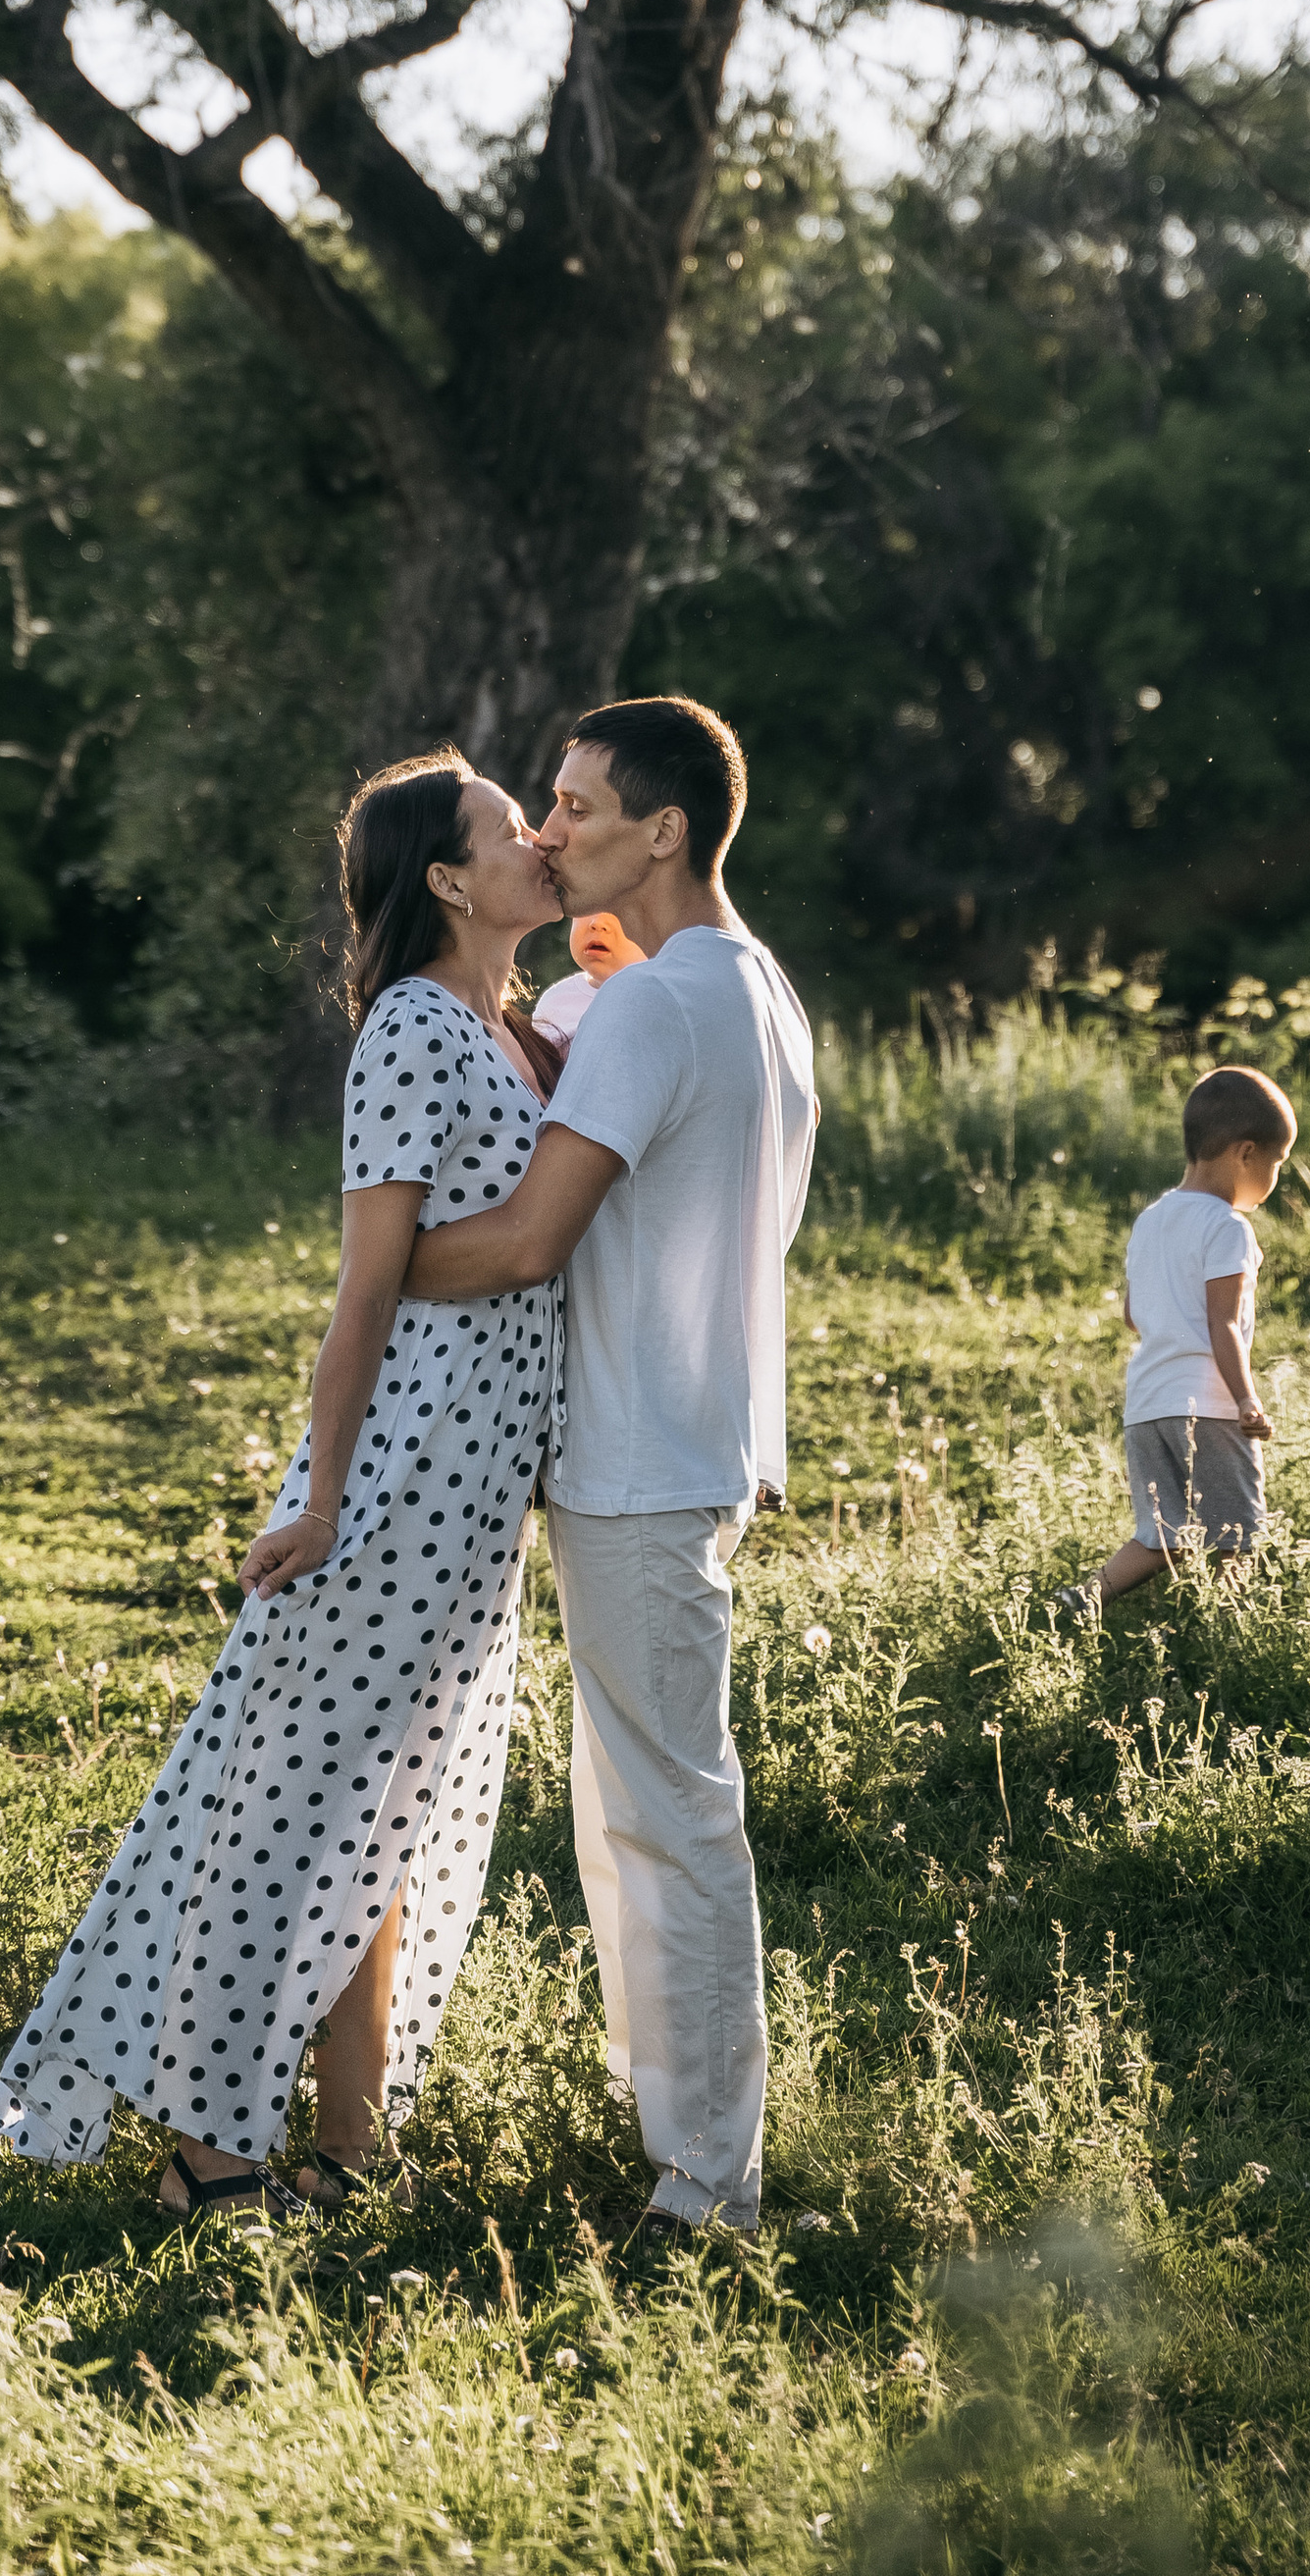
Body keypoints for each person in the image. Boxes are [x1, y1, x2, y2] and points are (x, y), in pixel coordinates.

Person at [0, 749, 562, 2220]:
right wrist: (318, 1503)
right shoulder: (418, 1033)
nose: (544, 840)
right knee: (293, 1823)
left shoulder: (510, 1030)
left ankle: (350, 2154)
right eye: (513, 829)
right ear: (447, 878)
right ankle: (207, 2152)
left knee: (390, 1825)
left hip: (475, 1503)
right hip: (394, 1487)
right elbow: (365, 1292)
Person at [411, 693, 816, 2238]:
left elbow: (527, 1240)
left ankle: (710, 2185)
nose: (547, 830)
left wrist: (371, 1273)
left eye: (577, 806)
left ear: (664, 828)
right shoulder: (753, 988)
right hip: (686, 1441)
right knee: (635, 1811)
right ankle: (677, 2134)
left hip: (643, 1453)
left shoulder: (654, 1005)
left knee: (670, 1814)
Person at [1060, 1063, 1294, 1619]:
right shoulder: (1228, 1227)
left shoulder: (1151, 1220)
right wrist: (1245, 1398)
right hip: (1208, 1407)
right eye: (1276, 1164)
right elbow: (1224, 1325)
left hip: (1147, 1405)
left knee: (1164, 1533)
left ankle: (1083, 1600)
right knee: (1237, 1536)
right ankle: (1228, 1636)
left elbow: (1133, 1315)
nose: (1275, 1179)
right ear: (1245, 1153)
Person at [528, 907, 649, 1055]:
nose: (597, 923)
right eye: (588, 907)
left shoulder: (664, 1000)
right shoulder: (557, 1002)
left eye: (616, 908)